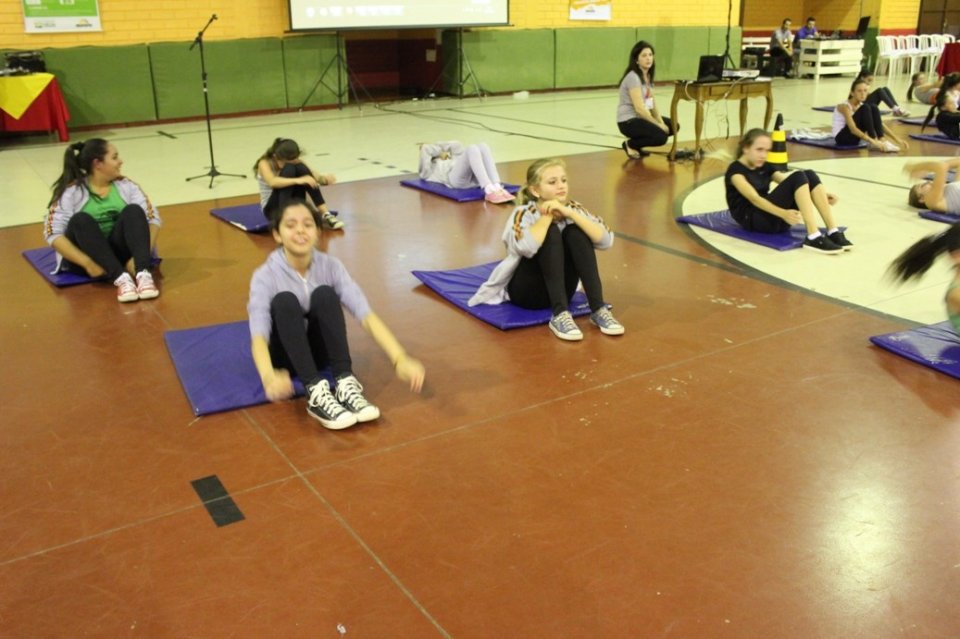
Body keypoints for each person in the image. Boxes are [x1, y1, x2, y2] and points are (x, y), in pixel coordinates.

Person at [248, 201, 425, 430]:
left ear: (318, 232)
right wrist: (268, 376)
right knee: (285, 301)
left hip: (319, 355)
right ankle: (314, 392)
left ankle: (344, 382)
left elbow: (365, 315)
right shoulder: (265, 276)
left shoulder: (331, 266)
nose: (300, 230)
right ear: (277, 234)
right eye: (291, 225)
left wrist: (400, 358)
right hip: (284, 358)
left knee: (325, 294)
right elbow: (259, 335)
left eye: (308, 225)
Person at [468, 158, 624, 341]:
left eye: (563, 180)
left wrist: (570, 214)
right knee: (550, 233)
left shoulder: (573, 208)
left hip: (564, 290)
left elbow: (606, 241)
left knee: (576, 231)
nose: (561, 186)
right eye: (552, 182)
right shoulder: (523, 213)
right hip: (529, 293)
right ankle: (560, 315)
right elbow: (525, 248)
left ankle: (598, 309)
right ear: (535, 190)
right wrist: (547, 216)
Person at [43, 139, 161, 302]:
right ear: (98, 164)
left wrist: (141, 256)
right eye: (114, 157)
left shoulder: (126, 185)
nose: (120, 161)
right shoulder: (72, 191)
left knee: (134, 211)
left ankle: (143, 274)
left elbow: (153, 219)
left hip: (121, 256)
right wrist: (87, 263)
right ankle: (121, 279)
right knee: (80, 220)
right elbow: (52, 234)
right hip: (91, 260)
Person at [725, 128, 853, 255]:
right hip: (755, 220)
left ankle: (833, 231)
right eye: (759, 150)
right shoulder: (736, 171)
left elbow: (789, 183)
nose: (763, 155)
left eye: (767, 151)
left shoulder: (763, 164)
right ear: (746, 148)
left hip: (772, 218)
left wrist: (821, 196)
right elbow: (754, 199)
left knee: (808, 174)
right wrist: (783, 214)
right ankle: (813, 235)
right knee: (798, 176)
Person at [890, 161, 960, 330]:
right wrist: (914, 167)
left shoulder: (951, 187)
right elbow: (941, 167)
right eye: (921, 187)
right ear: (921, 199)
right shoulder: (933, 201)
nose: (927, 182)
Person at [255, 138, 343, 230]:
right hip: (273, 209)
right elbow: (272, 182)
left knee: (301, 167)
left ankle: (326, 214)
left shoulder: (295, 161)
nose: (287, 163)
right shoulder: (264, 163)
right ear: (276, 157)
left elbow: (311, 176)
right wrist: (298, 180)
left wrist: (324, 179)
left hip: (293, 203)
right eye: (285, 161)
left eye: (292, 160)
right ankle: (283, 217)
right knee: (289, 169)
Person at [616, 40, 675, 159]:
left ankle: (637, 145)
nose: (648, 58)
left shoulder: (647, 76)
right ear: (636, 60)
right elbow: (640, 109)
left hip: (640, 118)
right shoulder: (633, 77)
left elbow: (650, 104)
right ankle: (630, 144)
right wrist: (658, 125)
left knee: (673, 126)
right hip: (628, 121)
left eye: (650, 55)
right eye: (644, 55)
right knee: (660, 137)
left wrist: (661, 122)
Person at [418, 141, 514, 204]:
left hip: (473, 180)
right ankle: (488, 190)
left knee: (483, 146)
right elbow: (425, 148)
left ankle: (497, 186)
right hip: (456, 181)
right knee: (471, 148)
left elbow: (456, 144)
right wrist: (438, 153)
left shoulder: (454, 158)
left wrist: (443, 149)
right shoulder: (429, 170)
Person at [834, 78, 908, 152]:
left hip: (855, 139)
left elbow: (879, 124)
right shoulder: (844, 106)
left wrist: (897, 139)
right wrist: (872, 141)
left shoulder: (861, 106)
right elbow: (853, 129)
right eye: (859, 91)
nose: (863, 93)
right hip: (841, 138)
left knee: (873, 106)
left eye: (865, 91)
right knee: (866, 107)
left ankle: (882, 139)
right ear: (852, 93)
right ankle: (875, 140)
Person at [919, 74, 960, 139]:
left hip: (952, 117)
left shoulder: (956, 93)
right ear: (955, 84)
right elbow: (953, 111)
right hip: (946, 119)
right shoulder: (946, 96)